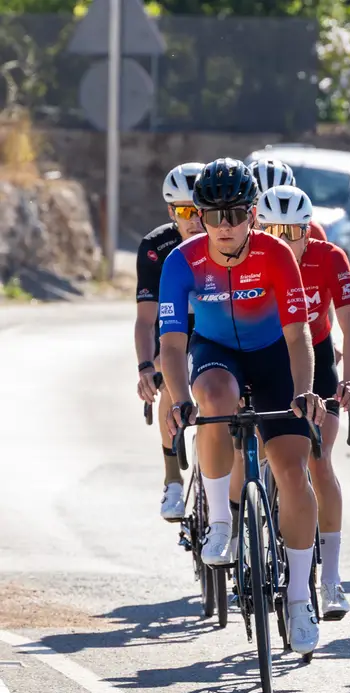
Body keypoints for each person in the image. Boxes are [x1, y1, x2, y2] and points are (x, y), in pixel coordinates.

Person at [158, 157, 326, 655]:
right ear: (200, 217)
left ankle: (299, 598)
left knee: (293, 471)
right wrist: (180, 398)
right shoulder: (181, 261)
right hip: (216, 355)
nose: (225, 225)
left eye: (235, 214)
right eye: (213, 215)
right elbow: (171, 344)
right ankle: (223, 524)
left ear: (254, 214)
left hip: (274, 356)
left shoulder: (276, 254)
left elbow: (299, 336)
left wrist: (303, 391)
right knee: (213, 399)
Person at [257, 184, 350, 620]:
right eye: (275, 230)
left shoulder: (329, 257)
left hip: (315, 357)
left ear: (309, 231)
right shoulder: (251, 259)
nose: (286, 240)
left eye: (295, 231)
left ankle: (331, 578)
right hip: (264, 357)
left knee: (319, 462)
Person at [135, 162, 205, 522]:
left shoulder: (226, 240)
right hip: (173, 331)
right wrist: (146, 366)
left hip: (216, 328)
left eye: (200, 210)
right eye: (184, 211)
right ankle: (173, 480)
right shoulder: (156, 247)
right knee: (167, 381)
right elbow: (146, 320)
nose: (194, 220)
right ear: (170, 212)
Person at [249, 157, 328, 242]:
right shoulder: (235, 229)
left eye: (279, 203)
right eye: (256, 202)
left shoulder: (312, 230)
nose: (263, 210)